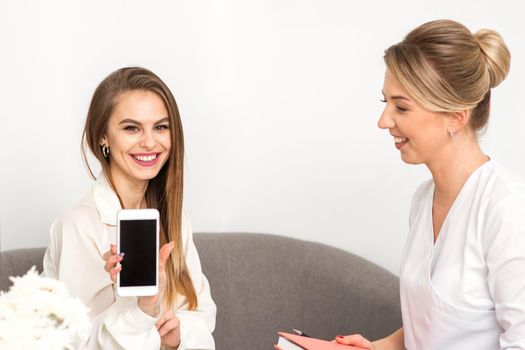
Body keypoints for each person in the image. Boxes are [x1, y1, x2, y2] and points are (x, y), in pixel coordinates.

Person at [334, 19, 525, 350]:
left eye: (402, 107)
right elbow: (432, 325)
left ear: (455, 116)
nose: (384, 121)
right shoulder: (424, 200)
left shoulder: (506, 210)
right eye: (386, 103)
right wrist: (377, 347)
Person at [43, 67, 216, 350]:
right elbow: (79, 342)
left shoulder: (172, 214)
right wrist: (142, 306)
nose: (149, 142)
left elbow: (202, 315)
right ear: (103, 137)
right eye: (131, 128)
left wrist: (176, 339)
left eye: (161, 127)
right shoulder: (79, 224)